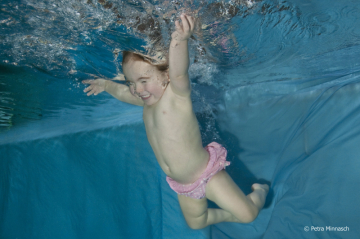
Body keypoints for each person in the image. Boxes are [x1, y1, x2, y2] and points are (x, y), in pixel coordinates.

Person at [82, 13, 269, 229]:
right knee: (197, 223)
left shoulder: (176, 95)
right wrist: (106, 85)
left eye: (144, 81)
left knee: (248, 216)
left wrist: (180, 40)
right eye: (131, 82)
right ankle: (234, 212)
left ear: (166, 75)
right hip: (183, 185)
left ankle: (260, 193)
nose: (137, 89)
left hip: (207, 175)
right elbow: (125, 93)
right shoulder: (147, 103)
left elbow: (180, 72)